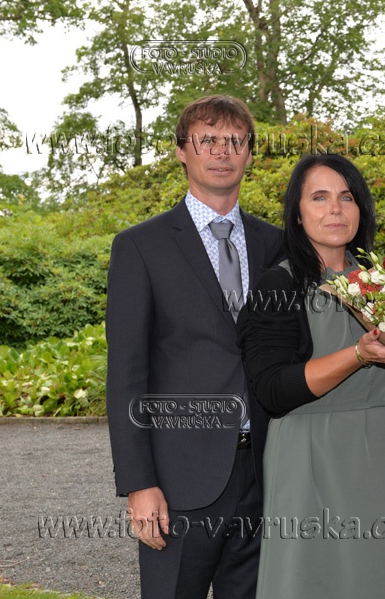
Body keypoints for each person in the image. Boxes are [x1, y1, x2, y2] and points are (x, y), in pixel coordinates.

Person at [106, 95, 282, 598]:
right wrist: (139, 484)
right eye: (207, 140)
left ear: (250, 153)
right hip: (179, 482)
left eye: (235, 141)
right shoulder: (141, 246)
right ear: (182, 151)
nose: (222, 152)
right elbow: (126, 375)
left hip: (266, 475)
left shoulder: (276, 245)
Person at [237, 153, 385, 599]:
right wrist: (358, 354)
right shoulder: (278, 286)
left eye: (347, 197)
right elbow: (273, 390)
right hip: (311, 463)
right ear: (297, 214)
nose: (335, 209)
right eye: (319, 198)